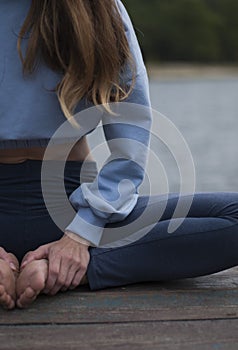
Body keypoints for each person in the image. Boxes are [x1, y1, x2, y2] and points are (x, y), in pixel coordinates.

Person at [0, 0, 238, 311]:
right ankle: (82, 268)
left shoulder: (98, 7)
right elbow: (131, 146)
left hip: (77, 208)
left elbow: (130, 140)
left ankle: (72, 266)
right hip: (79, 215)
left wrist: (78, 235)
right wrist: (82, 235)